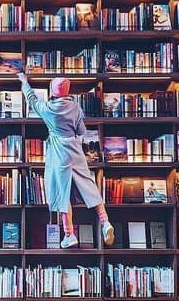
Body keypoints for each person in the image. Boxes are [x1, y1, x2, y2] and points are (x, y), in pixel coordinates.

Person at [17, 73, 114, 248]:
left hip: (58, 151)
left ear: (52, 91)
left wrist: (25, 82)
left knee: (62, 193)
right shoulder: (75, 107)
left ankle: (69, 234)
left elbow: (31, 100)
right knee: (89, 185)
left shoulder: (47, 109)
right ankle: (105, 222)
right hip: (75, 150)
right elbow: (81, 131)